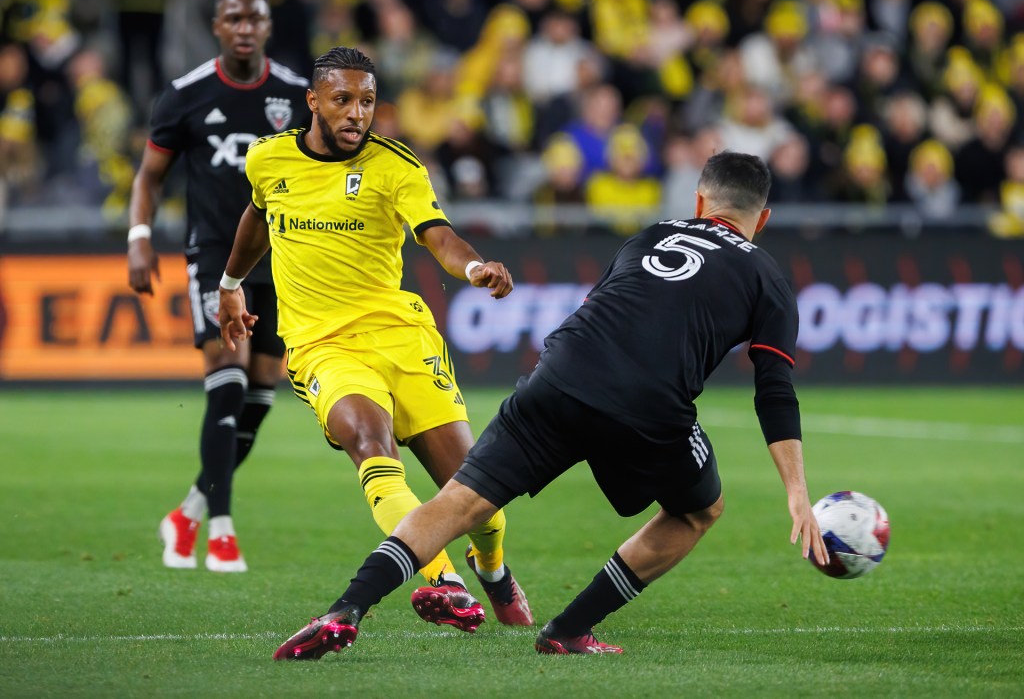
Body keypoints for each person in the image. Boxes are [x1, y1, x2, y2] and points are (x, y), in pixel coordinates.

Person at [265, 151, 830, 660]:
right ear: (763, 219)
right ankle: (569, 629)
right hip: (648, 407)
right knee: (697, 511)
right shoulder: (768, 277)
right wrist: (797, 492)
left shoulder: (651, 235)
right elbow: (774, 390)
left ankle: (344, 609)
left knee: (459, 501)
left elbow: (602, 307)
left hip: (557, 375)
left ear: (700, 201)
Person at [217, 46, 533, 630]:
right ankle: (444, 580)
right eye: (342, 99)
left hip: (400, 338)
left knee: (477, 495)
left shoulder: (396, 166)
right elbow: (257, 216)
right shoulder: (268, 158)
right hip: (322, 346)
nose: (356, 112)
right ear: (313, 101)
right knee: (369, 441)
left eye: (366, 101)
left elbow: (438, 236)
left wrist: (473, 268)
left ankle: (492, 569)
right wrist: (231, 284)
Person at [126, 0, 311, 573]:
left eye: (254, 18)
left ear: (267, 26)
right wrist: (139, 237)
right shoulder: (186, 95)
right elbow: (149, 176)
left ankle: (187, 513)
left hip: (278, 258)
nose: (244, 28)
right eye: (234, 18)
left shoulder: (295, 94)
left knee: (260, 394)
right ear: (217, 26)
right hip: (212, 256)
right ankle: (222, 532)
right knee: (228, 380)